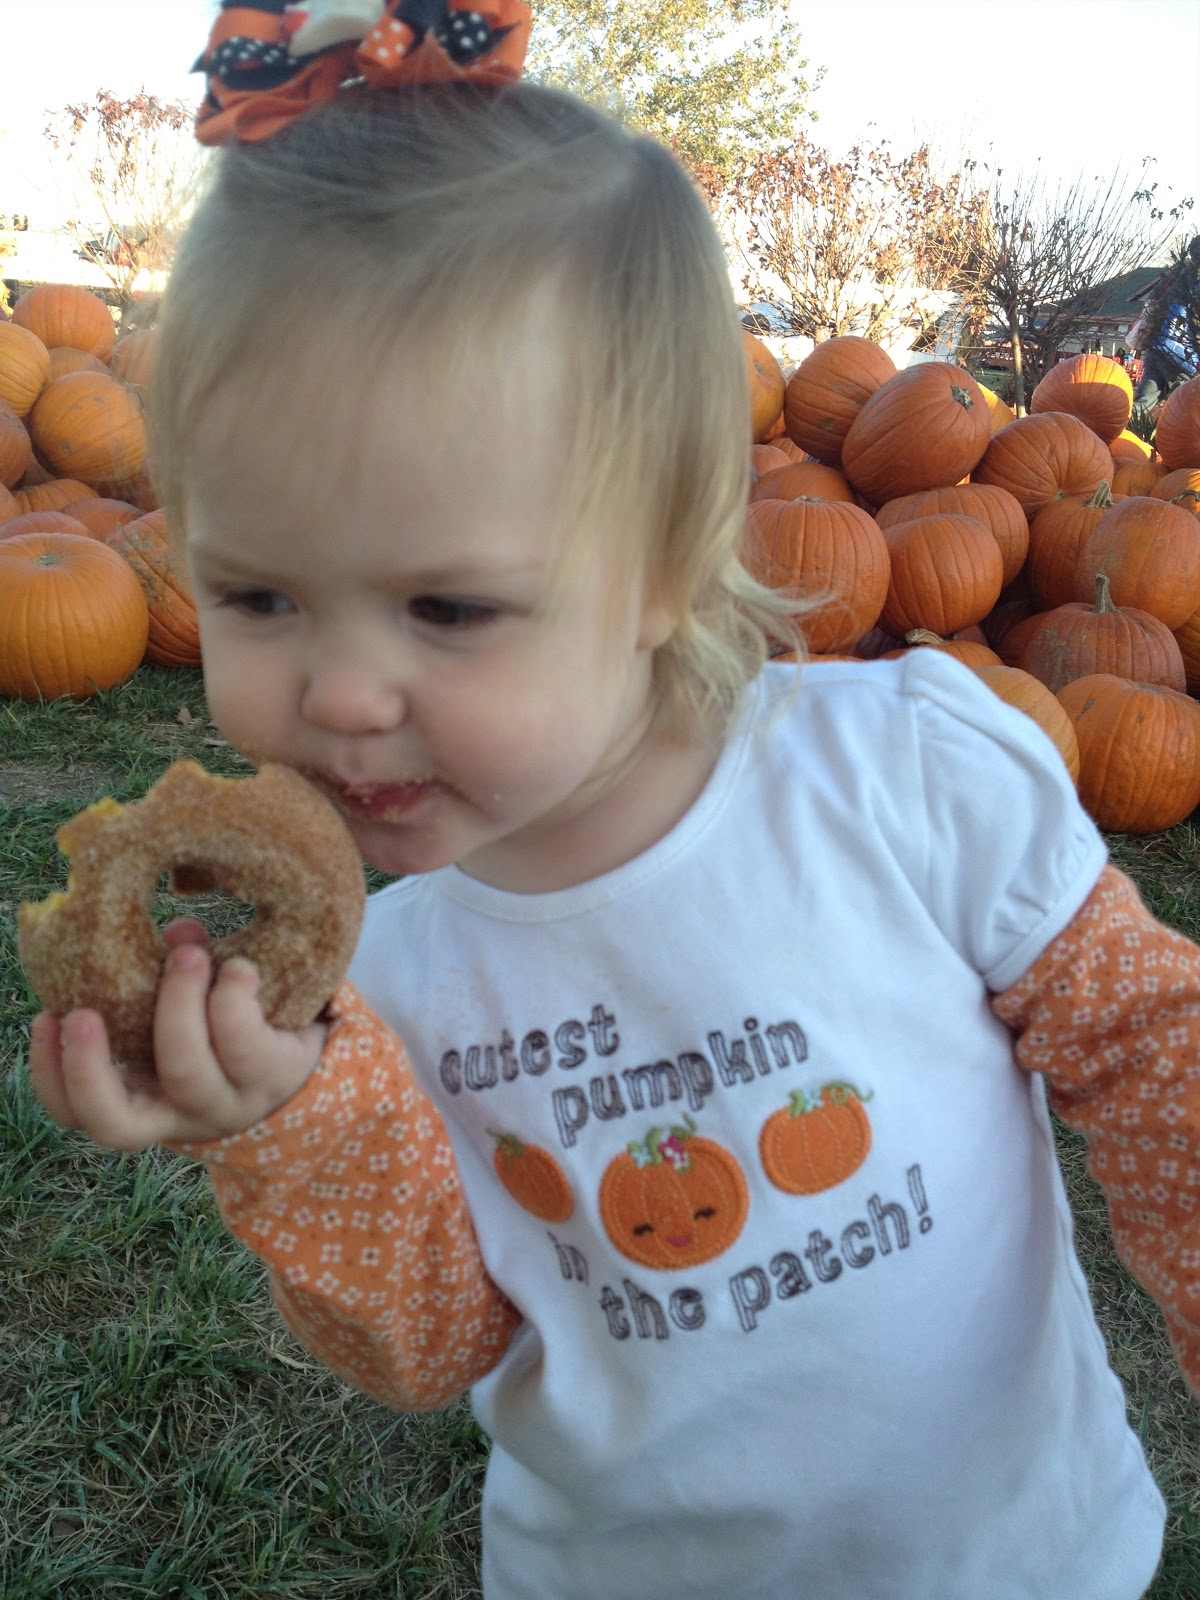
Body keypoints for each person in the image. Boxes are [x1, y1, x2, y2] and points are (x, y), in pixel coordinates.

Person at [26, 4, 1200, 1597]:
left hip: (1018, 1561)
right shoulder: (372, 992)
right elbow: (441, 1343)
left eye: (448, 611)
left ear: (659, 568)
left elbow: (1153, 1054)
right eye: (255, 596)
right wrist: (285, 1128)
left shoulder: (903, 777)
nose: (339, 694)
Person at [1130, 234, 1200, 411]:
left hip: (1158, 344)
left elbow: (1154, 300)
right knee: (1184, 408)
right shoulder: (1193, 282)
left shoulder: (1176, 274)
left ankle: (1126, 433)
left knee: (1144, 400)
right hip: (1181, 353)